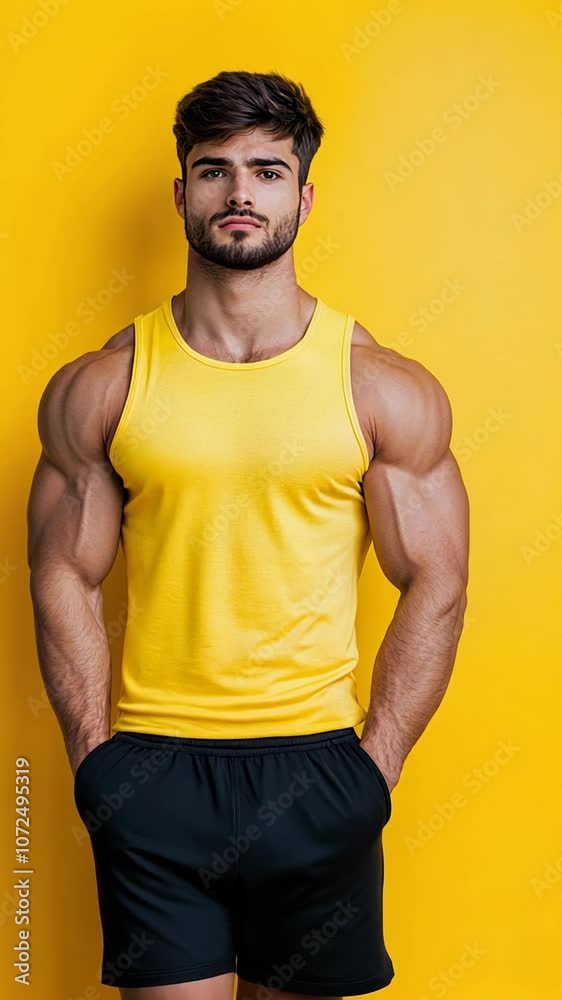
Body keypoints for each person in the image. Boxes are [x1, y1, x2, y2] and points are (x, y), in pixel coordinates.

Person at [26, 70, 469, 999]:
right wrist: (94, 760)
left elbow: (437, 578)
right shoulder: (106, 382)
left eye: (266, 171)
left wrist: (376, 766)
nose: (239, 194)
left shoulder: (379, 385)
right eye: (213, 170)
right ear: (179, 192)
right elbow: (62, 570)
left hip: (318, 772)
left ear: (303, 196)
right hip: (152, 769)